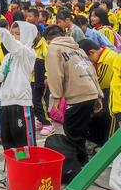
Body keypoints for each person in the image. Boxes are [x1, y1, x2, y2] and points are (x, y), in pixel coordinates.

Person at [0, 15, 37, 190]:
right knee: (9, 144)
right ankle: (12, 175)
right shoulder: (9, 57)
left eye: (18, 34)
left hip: (21, 105)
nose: (14, 37)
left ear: (27, 36)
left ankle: (28, 175)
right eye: (13, 34)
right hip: (5, 103)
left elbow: (14, 45)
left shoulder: (27, 54)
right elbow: (1, 75)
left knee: (23, 144)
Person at [44, 25, 103, 165]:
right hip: (90, 93)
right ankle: (82, 164)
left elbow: (55, 74)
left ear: (48, 40)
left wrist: (56, 98)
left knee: (72, 134)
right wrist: (98, 94)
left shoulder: (54, 48)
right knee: (80, 133)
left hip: (77, 96)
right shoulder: (78, 49)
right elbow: (91, 71)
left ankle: (76, 168)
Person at [78, 39, 119, 143]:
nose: (89, 62)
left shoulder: (109, 59)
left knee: (111, 124)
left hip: (113, 96)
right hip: (108, 93)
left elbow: (102, 82)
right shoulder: (102, 57)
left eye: (88, 59)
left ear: (92, 52)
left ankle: (109, 147)